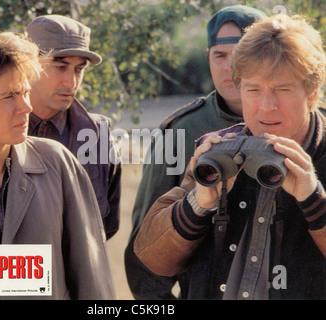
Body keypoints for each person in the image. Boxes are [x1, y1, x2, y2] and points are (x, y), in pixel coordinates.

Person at [134, 14, 326, 300]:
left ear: (311, 95)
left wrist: (313, 199)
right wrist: (199, 203)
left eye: (282, 89)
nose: (266, 107)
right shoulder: (224, 151)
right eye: (253, 90)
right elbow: (152, 257)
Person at [0, 32, 115, 300]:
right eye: (10, 96)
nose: (26, 106)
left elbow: (92, 280)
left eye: (26, 92)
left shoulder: (58, 163)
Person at [125, 5, 266, 299]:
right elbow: (146, 246)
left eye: (240, 54)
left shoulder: (303, 122)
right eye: (219, 56)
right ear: (208, 58)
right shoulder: (181, 130)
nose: (229, 67)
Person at [26, 15, 121, 240]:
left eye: (79, 69)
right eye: (60, 67)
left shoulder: (100, 137)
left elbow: (106, 227)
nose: (71, 82)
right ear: (28, 66)